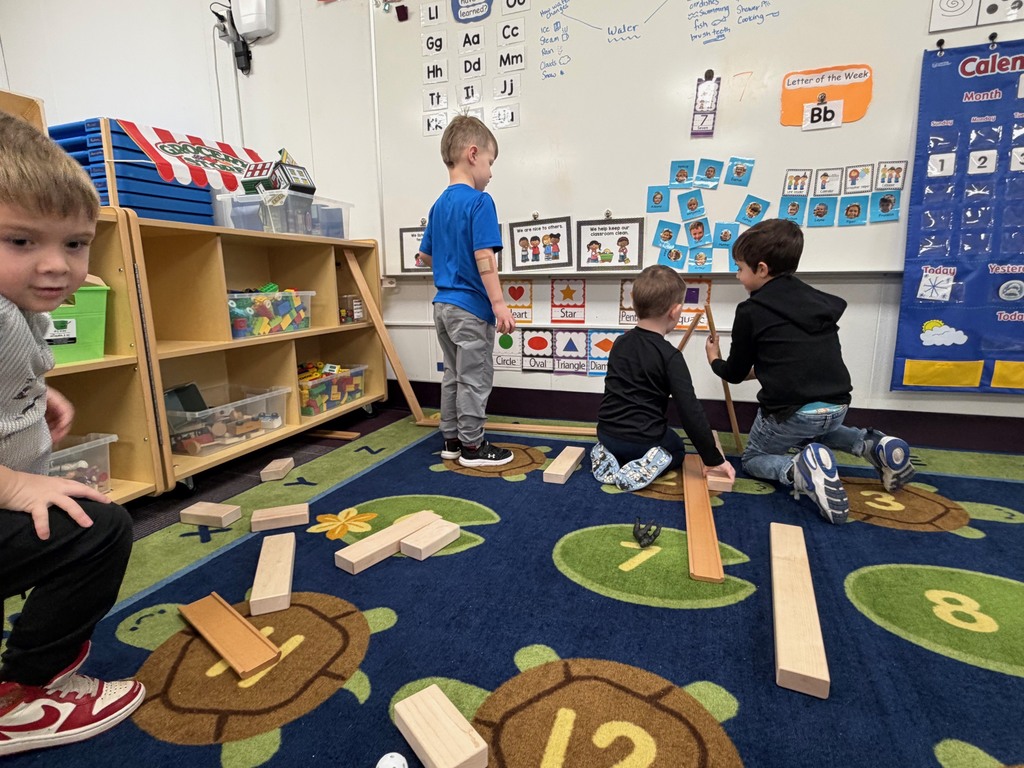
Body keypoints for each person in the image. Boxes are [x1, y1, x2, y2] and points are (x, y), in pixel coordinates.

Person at [0, 113, 144, 756]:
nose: (57, 266)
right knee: (97, 530)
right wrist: (14, 485)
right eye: (21, 241)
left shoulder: (15, 309)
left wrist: (35, 397)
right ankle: (21, 694)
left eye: (76, 244)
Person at [704, 218, 915, 524]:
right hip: (838, 405)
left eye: (740, 268)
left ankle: (797, 470)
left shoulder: (751, 310)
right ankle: (873, 444)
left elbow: (734, 373)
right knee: (816, 427)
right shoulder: (815, 301)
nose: (738, 276)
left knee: (754, 459)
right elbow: (782, 364)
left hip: (794, 414)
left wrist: (714, 360)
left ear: (761, 269)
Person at [415, 115, 515, 467]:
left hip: (443, 306)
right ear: (473, 154)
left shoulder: (438, 205)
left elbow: (423, 257)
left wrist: (448, 258)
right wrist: (499, 304)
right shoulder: (479, 202)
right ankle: (473, 448)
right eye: (490, 162)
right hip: (471, 309)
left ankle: (452, 440)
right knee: (475, 378)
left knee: (453, 376)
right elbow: (484, 257)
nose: (490, 172)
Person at [594, 266, 735, 490]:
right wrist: (714, 459)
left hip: (605, 433)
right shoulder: (671, 356)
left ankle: (608, 454)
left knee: (623, 439)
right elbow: (690, 411)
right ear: (675, 311)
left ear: (634, 302)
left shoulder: (619, 343)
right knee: (677, 446)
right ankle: (644, 464)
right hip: (644, 442)